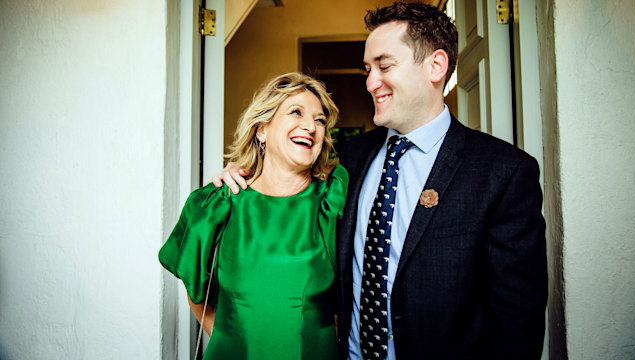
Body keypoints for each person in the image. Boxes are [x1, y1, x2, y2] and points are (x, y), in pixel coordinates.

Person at [214, 2, 547, 359]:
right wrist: (244, 172)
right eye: (368, 69)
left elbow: (517, 325)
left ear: (436, 66)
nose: (371, 83)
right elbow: (287, 192)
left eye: (384, 66)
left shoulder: (503, 173)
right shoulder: (352, 159)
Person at [159, 72, 347, 360]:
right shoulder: (218, 203)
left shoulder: (333, 199)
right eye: (296, 112)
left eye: (320, 120)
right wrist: (235, 342)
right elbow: (196, 293)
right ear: (262, 129)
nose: (310, 126)